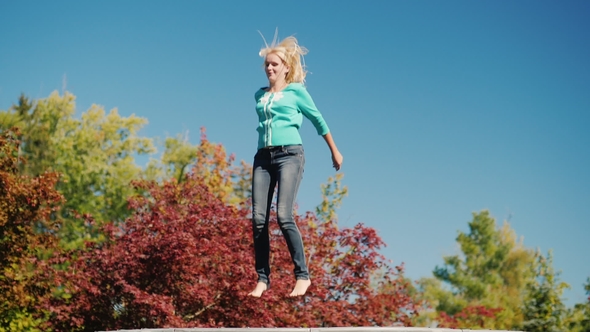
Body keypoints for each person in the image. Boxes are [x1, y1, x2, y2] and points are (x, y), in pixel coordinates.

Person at [248, 34, 343, 298]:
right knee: (258, 220)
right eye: (267, 64)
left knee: (283, 215)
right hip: (263, 159)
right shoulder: (259, 95)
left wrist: (334, 150)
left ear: (286, 67)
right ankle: (262, 279)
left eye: (275, 65)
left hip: (290, 155)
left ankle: (302, 276)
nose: (270, 68)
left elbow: (317, 119)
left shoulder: (296, 92)